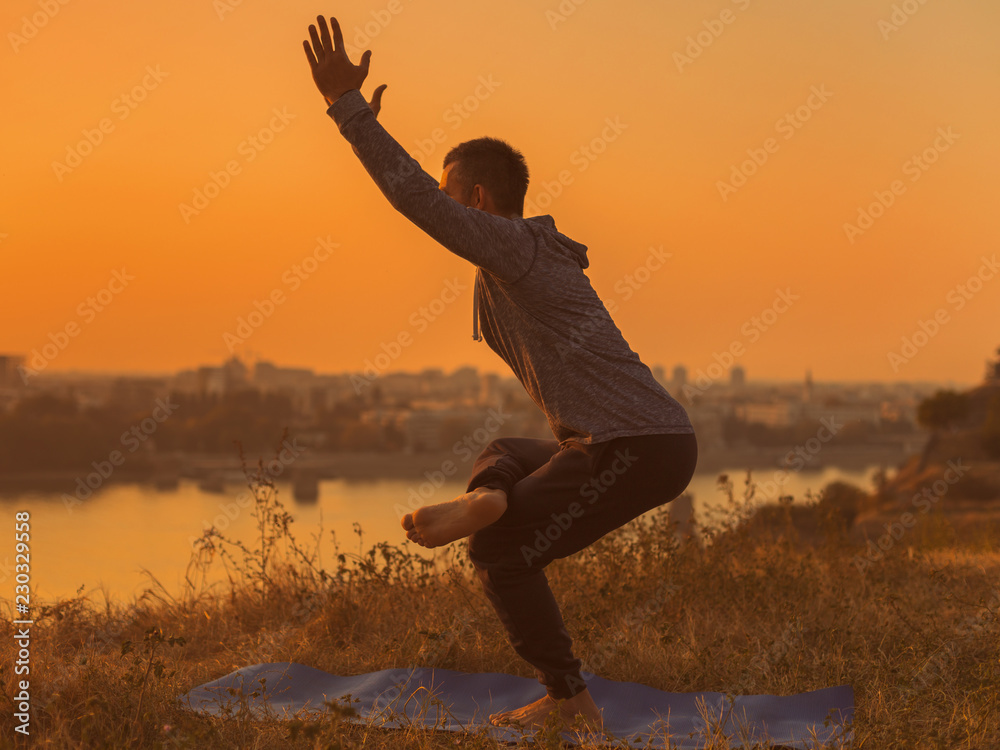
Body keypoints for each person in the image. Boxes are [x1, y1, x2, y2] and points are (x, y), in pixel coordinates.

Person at [303, 15, 698, 735]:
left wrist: (348, 111)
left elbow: (415, 200)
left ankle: (569, 702)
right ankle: (487, 497)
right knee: (509, 452)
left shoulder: (513, 248)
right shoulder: (524, 256)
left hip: (633, 445)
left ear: (479, 202)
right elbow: (429, 198)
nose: (449, 212)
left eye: (456, 197)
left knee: (499, 554)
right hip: (633, 438)